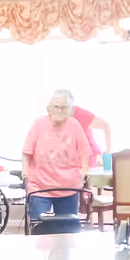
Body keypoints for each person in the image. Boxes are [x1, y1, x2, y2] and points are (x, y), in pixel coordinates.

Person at [21, 89, 93, 220]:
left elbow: (85, 151)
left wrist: (84, 170)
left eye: (64, 107)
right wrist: (25, 172)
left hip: (68, 187)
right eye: (56, 107)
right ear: (49, 108)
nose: (60, 111)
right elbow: (26, 151)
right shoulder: (39, 124)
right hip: (39, 187)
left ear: (70, 109)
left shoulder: (75, 126)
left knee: (67, 231)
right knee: (39, 228)